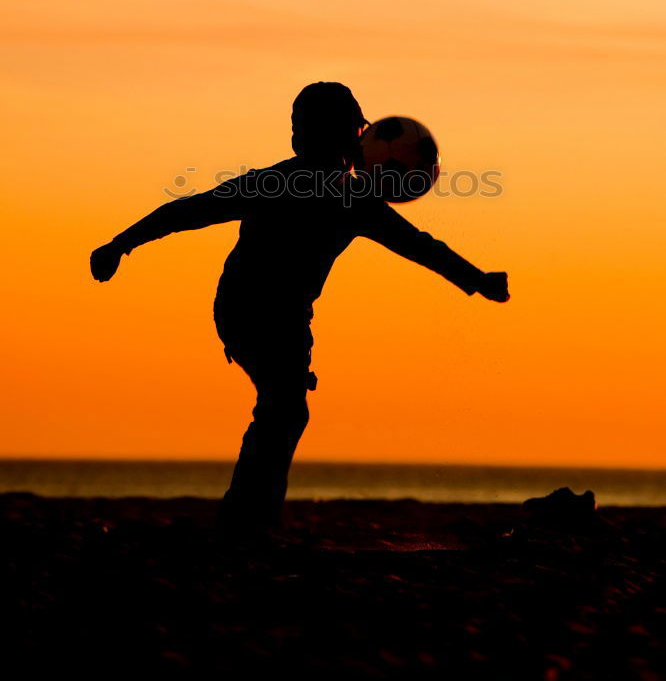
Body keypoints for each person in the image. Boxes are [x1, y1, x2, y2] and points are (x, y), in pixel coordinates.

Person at [90, 82, 509, 543]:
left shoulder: (305, 188)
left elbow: (186, 211)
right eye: (356, 129)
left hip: (263, 314)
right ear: (351, 137)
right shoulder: (328, 194)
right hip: (254, 312)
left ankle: (248, 520)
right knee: (285, 406)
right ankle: (246, 523)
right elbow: (190, 211)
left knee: (285, 408)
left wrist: (120, 244)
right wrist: (478, 280)